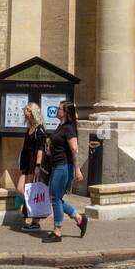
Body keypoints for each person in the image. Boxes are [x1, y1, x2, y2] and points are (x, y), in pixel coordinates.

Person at [44, 101, 87, 242]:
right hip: (57, 165)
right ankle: (78, 218)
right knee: (56, 198)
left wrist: (77, 169)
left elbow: (74, 150)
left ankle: (57, 231)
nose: (57, 110)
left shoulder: (69, 128)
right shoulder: (60, 126)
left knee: (55, 198)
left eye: (59, 108)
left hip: (64, 167)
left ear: (65, 112)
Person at [16, 102, 47, 229]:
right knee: (21, 189)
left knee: (30, 191)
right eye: (26, 109)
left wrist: (38, 165)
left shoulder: (39, 129)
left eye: (28, 110)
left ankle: (36, 220)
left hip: (34, 163)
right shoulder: (30, 128)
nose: (25, 112)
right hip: (27, 163)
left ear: (33, 113)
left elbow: (40, 148)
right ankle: (35, 213)